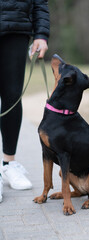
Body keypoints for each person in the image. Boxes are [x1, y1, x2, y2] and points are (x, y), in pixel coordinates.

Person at [0, 0, 50, 202]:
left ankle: (8, 164)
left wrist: (41, 34)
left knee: (12, 96)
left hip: (16, 26)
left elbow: (40, 2)